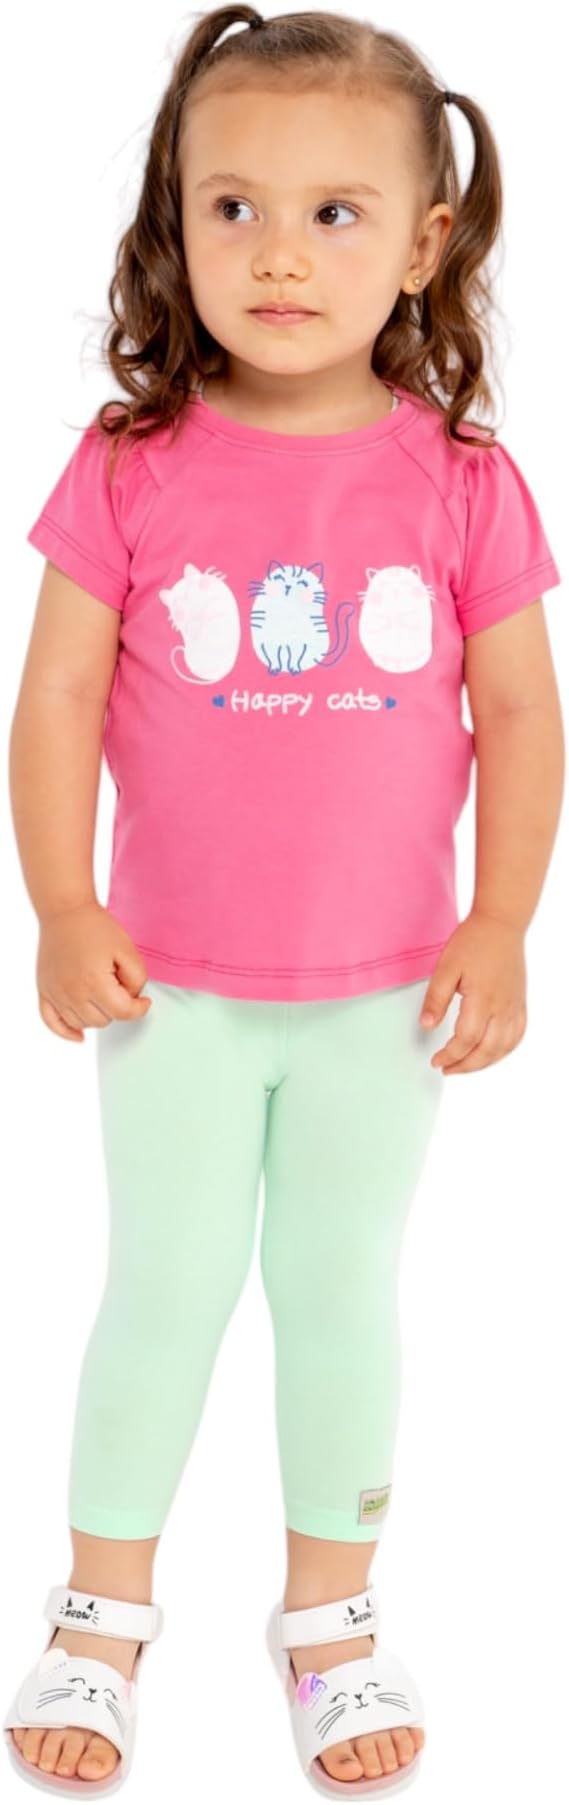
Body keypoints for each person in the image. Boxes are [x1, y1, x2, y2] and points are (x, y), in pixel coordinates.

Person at [4, 4, 564, 1796]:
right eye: (231, 205)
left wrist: (499, 922)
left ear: (421, 244)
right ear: (172, 226)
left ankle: (330, 1615)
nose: (277, 253)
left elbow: (519, 713)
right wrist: (62, 898)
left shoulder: (459, 481)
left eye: (335, 214)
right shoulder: (129, 463)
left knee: (337, 1288)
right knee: (162, 1285)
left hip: (381, 995)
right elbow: (58, 698)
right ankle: (101, 1611)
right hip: (168, 987)